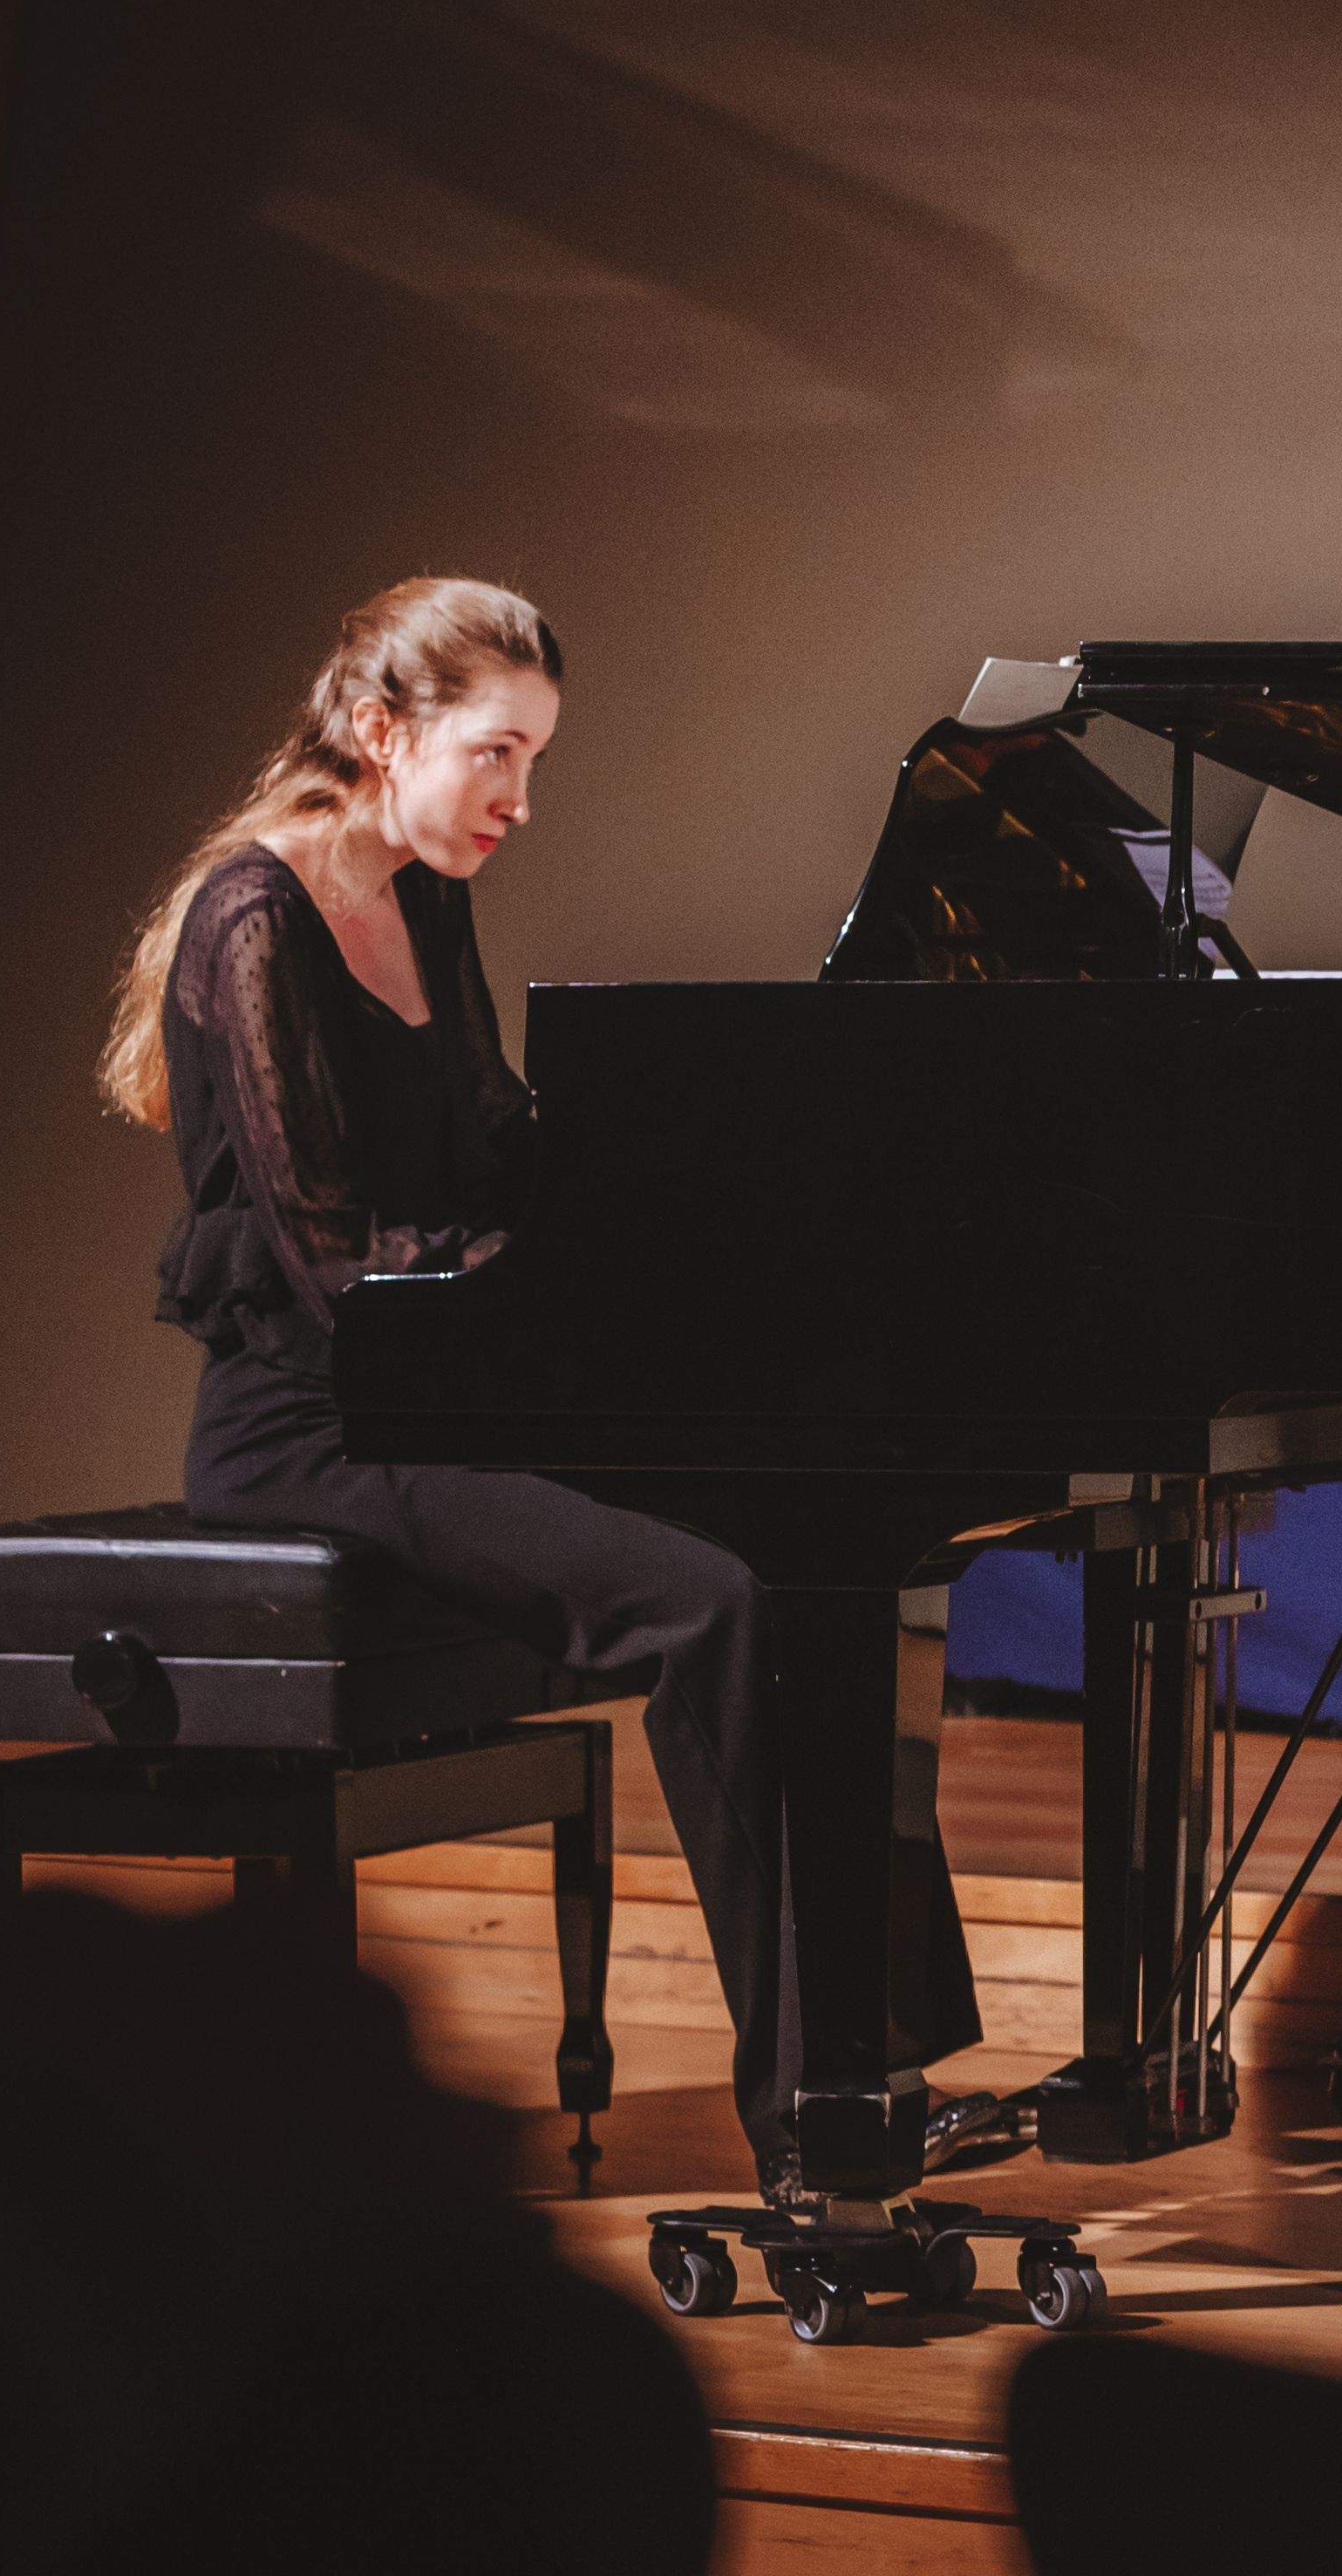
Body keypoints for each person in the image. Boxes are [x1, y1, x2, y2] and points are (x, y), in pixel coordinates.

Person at [100, 576, 828, 2206]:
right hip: (309, 1437)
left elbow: (500, 1153)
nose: (518, 798)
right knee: (704, 1602)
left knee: (796, 1549)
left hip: (429, 1406)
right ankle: (807, 2113)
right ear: (379, 732)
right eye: (497, 752)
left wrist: (690, 1187)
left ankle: (874, 2056)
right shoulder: (252, 918)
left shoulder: (424, 896)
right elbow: (339, 1256)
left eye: (536, 762)